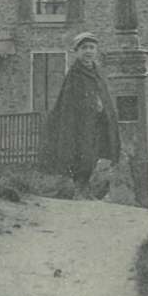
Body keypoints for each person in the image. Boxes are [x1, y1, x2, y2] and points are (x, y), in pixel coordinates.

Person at [40, 32, 120, 197]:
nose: (88, 51)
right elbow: (69, 105)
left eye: (91, 47)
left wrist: (106, 111)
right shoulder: (75, 75)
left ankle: (90, 191)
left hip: (99, 123)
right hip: (80, 125)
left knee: (100, 155)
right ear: (77, 52)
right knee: (83, 156)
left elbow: (105, 95)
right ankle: (79, 190)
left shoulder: (98, 72)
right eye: (84, 48)